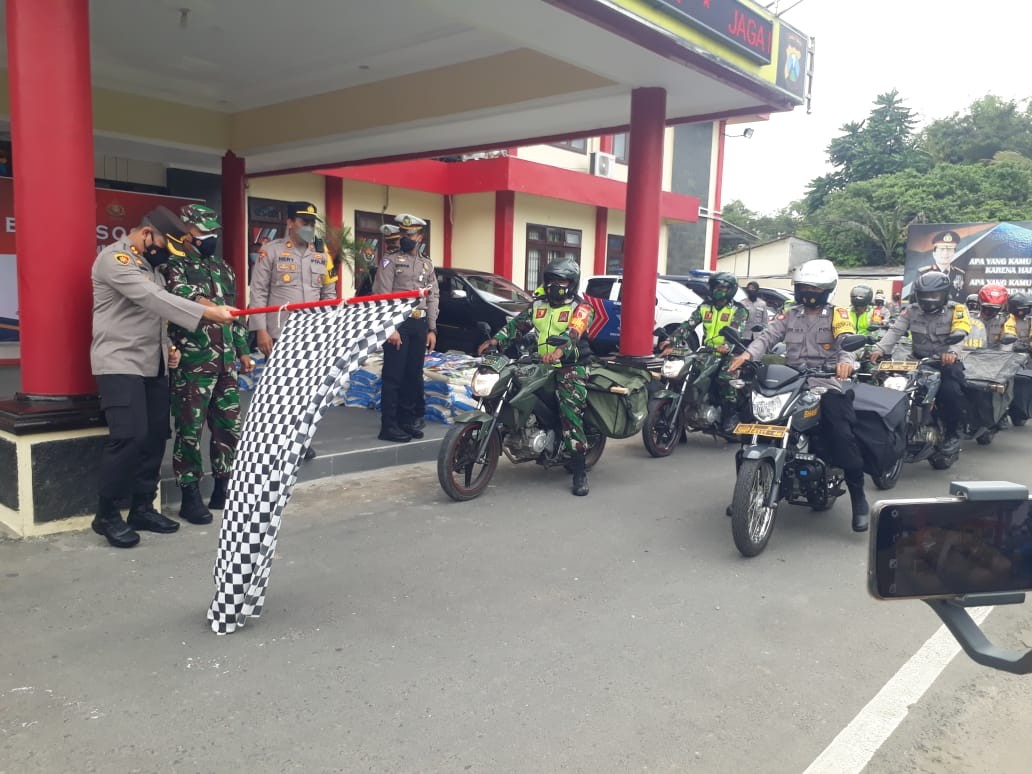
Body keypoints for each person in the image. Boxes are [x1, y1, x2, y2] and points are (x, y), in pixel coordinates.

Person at [90, 206, 237, 548]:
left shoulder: (151, 267)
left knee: (156, 436)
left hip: (154, 363)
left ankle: (142, 507)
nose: (164, 255)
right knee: (129, 436)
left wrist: (169, 345)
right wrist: (206, 312)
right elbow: (153, 298)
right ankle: (107, 514)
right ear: (146, 235)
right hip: (119, 361)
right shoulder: (117, 261)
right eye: (161, 246)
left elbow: (157, 317)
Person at [727, 259, 870, 532]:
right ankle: (748, 490)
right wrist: (746, 355)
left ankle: (859, 498)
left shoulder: (837, 314)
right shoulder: (789, 314)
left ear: (826, 290)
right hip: (790, 381)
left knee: (841, 431)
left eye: (813, 289)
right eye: (803, 287)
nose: (807, 293)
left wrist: (846, 362)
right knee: (753, 420)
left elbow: (846, 341)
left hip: (825, 381)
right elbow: (766, 337)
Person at [165, 204, 254, 524]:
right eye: (203, 233)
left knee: (228, 426)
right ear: (187, 234)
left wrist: (244, 350)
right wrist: (210, 307)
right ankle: (190, 494)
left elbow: (235, 312)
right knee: (189, 429)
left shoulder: (224, 268)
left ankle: (223, 487)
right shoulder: (173, 268)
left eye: (213, 232)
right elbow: (179, 297)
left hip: (227, 361)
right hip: (193, 360)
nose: (209, 238)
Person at [477, 258, 595, 496]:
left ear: (571, 284)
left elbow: (574, 333)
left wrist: (560, 351)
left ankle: (579, 471)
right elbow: (517, 325)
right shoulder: (538, 305)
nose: (554, 286)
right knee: (513, 387)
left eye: (560, 281)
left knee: (569, 413)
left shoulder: (581, 308)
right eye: (551, 280)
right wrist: (496, 340)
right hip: (542, 362)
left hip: (571, 366)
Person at [248, 201, 337, 459]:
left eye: (311, 223)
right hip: (279, 333)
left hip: (310, 333)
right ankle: (275, 443)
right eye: (303, 222)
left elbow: (328, 293)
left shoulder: (322, 253)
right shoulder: (271, 251)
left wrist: (327, 330)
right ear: (289, 223)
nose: (308, 227)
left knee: (307, 391)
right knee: (279, 390)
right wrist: (261, 331)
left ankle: (300, 441)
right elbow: (259, 292)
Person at [870, 271, 972, 453]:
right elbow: (895, 331)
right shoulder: (911, 311)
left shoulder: (957, 310)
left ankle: (952, 433)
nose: (929, 299)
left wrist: (952, 353)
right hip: (916, 361)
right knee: (892, 387)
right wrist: (879, 349)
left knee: (951, 392)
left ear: (944, 294)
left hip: (945, 362)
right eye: (924, 295)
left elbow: (961, 331)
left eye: (934, 295)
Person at [372, 214, 439, 443]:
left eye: (410, 234)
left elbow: (433, 297)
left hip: (419, 324)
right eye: (403, 234)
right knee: (394, 376)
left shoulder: (426, 263)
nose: (406, 238)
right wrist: (389, 328)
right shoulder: (390, 261)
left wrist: (432, 328)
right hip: (398, 324)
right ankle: (389, 426)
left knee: (413, 375)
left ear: (420, 237)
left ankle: (406, 421)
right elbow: (381, 297)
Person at [663, 272, 749, 435]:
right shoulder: (705, 307)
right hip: (707, 351)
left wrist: (726, 345)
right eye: (716, 286)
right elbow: (688, 325)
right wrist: (671, 340)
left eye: (723, 287)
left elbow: (737, 329)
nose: (719, 290)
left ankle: (730, 417)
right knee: (682, 373)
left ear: (731, 290)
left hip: (729, 353)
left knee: (725, 377)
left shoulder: (739, 310)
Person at [918, 230, 966, 301]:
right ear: (934, 254)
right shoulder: (924, 273)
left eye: (949, 249)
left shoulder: (960, 273)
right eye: (942, 249)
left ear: (954, 253)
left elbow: (962, 298)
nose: (945, 253)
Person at [972, 285, 1017, 351]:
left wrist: (1004, 355)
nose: (990, 311)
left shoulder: (1006, 319)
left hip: (996, 357)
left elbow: (1007, 342)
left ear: (1002, 307)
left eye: (995, 309)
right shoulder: (970, 317)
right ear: (979, 303)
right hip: (972, 356)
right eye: (987, 308)